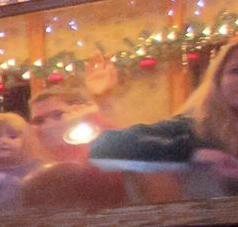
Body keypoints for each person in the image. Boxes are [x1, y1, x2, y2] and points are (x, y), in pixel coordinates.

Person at [88, 38, 238, 193]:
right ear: (218, 80)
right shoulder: (193, 129)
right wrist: (192, 153)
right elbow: (105, 145)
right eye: (236, 70)